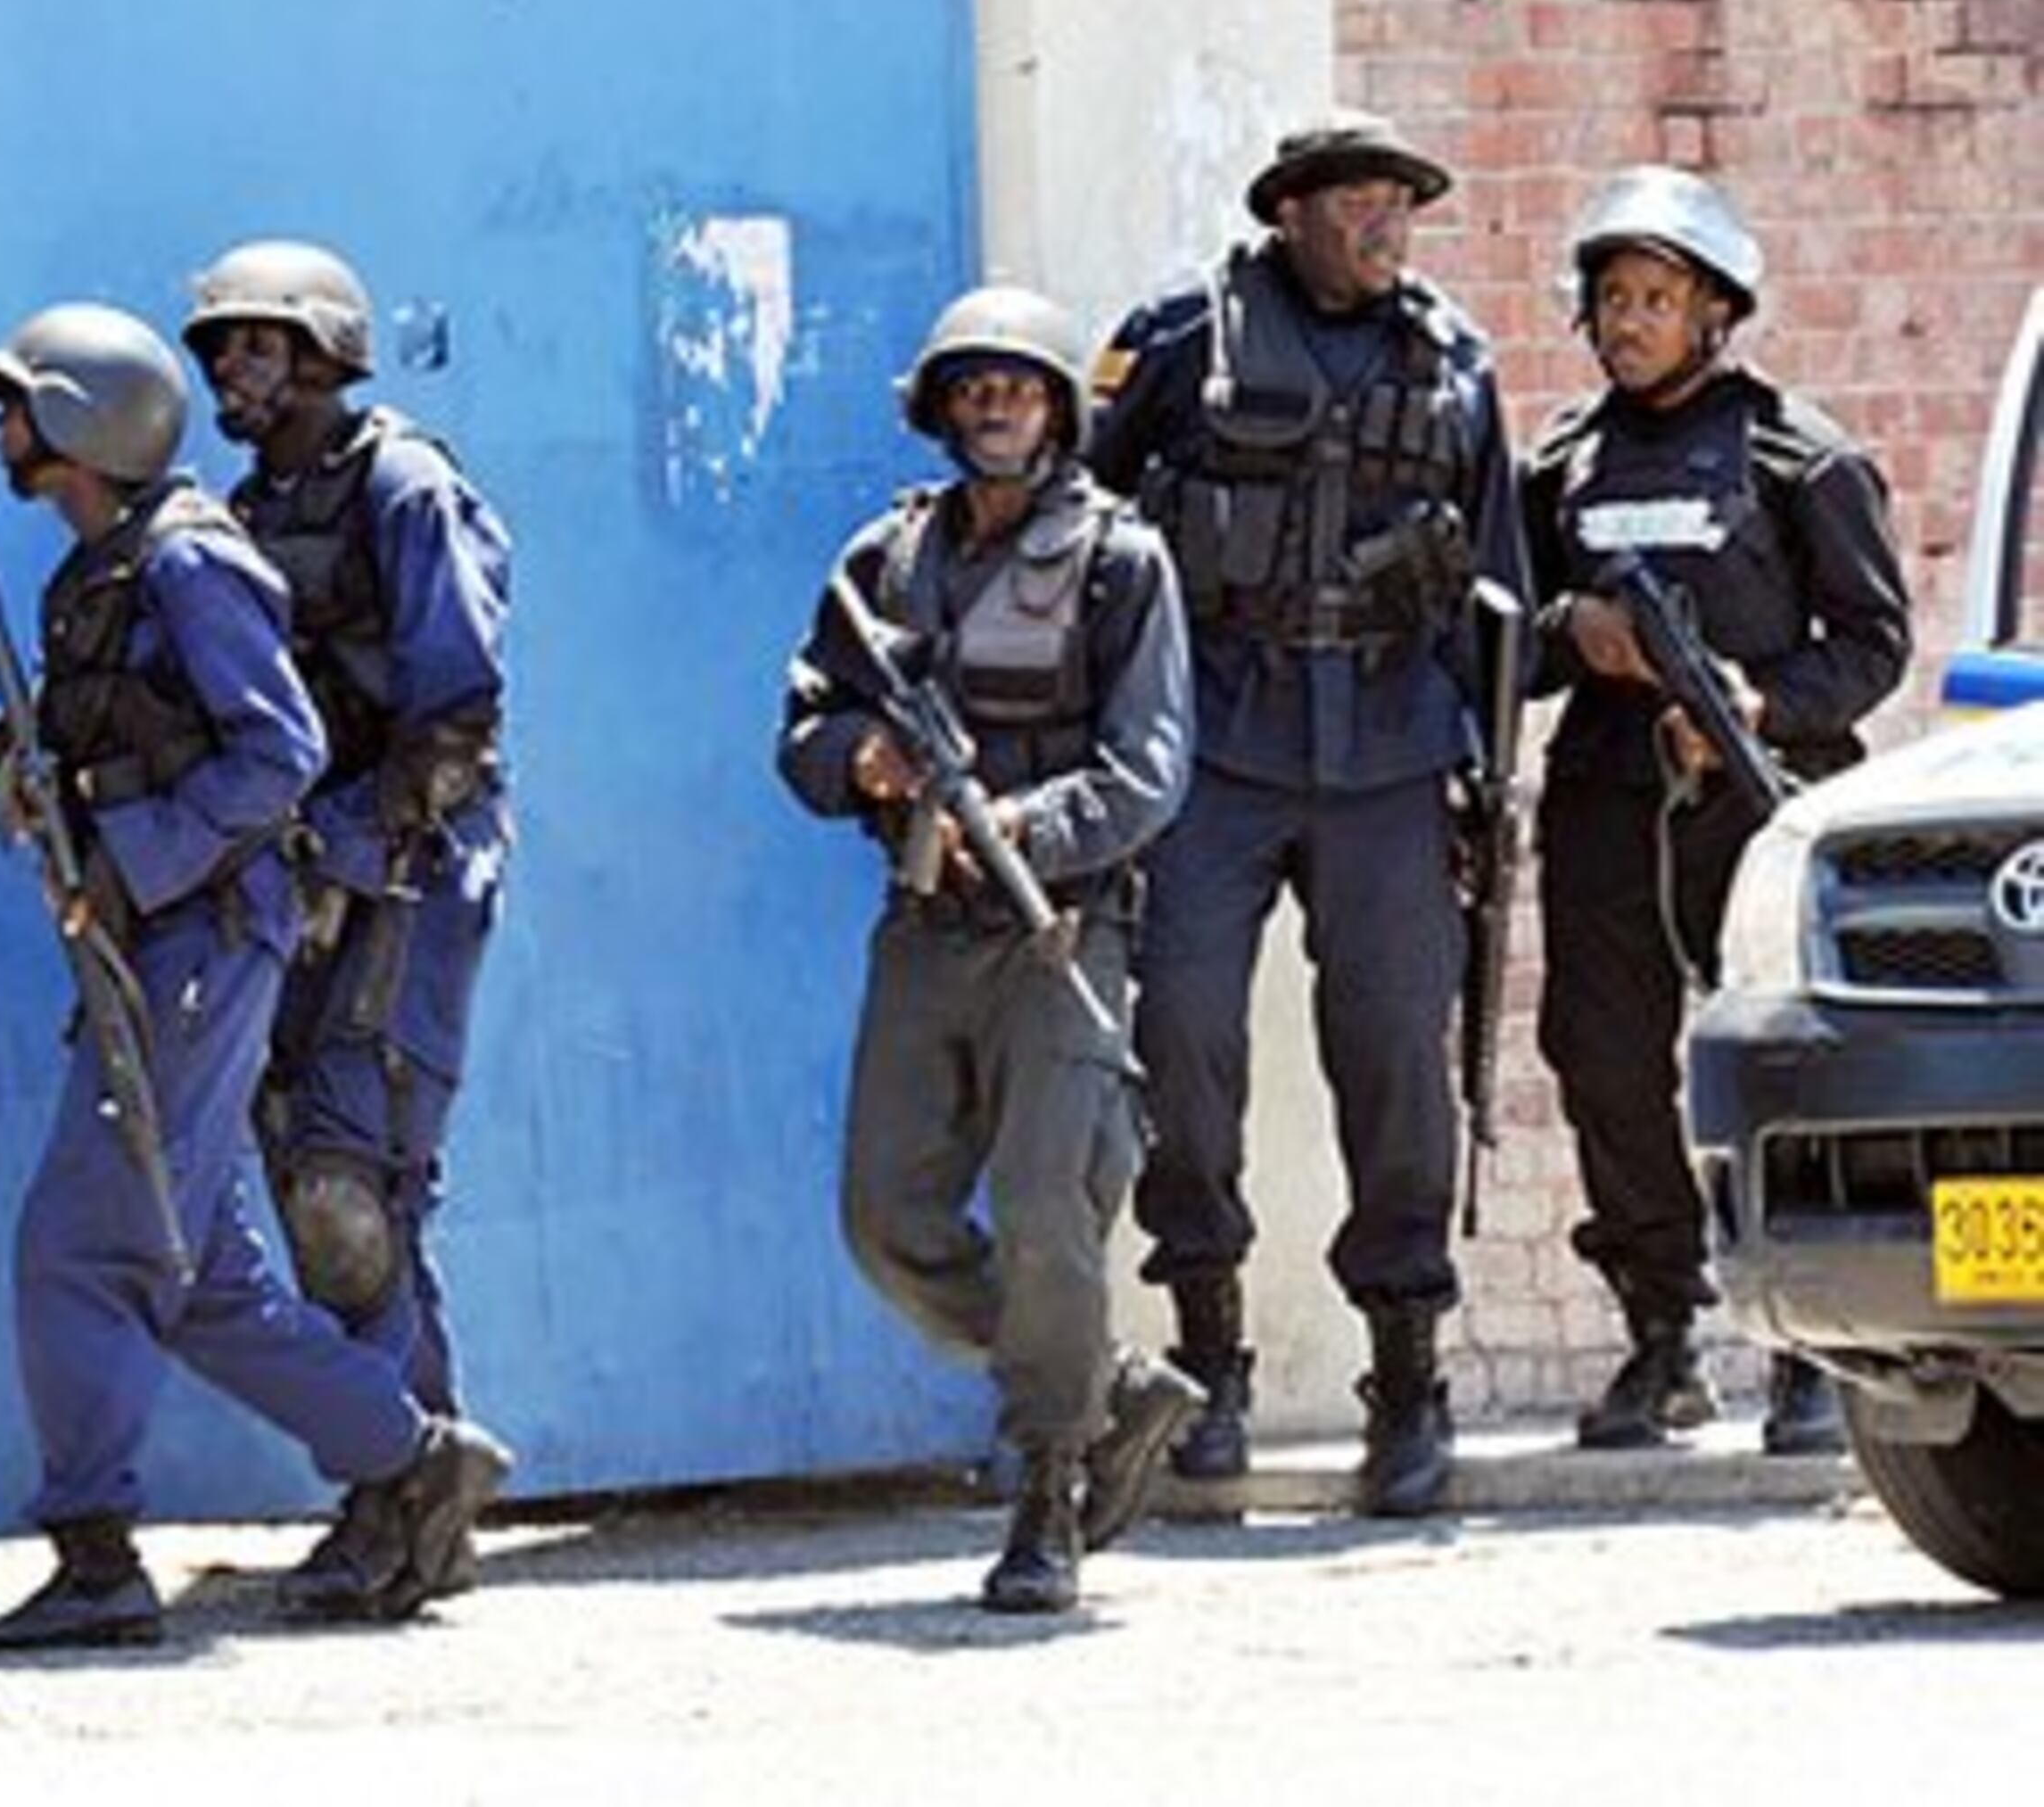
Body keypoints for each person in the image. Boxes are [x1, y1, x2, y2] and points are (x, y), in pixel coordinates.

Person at [0, 301, 511, 1651]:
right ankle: (410, 1453)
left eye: (19, 404)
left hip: (206, 933)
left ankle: (95, 1553)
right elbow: (115, 743)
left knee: (83, 1243)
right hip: (156, 934)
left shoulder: (192, 558)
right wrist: (31, 782)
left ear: (80, 418)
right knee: (198, 1269)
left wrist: (132, 856)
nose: (2, 428)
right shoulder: (102, 566)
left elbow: (280, 754)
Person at [1083, 110, 1530, 1519]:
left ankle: (1408, 1378)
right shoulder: (1179, 343)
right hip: (1216, 743)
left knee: (1398, 1058)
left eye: (1403, 203)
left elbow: (1500, 586)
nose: (1387, 227)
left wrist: (1485, 770)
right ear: (1292, 213)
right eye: (1358, 205)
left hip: (1391, 752)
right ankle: (1207, 1357)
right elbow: (1083, 530)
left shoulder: (1455, 363)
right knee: (1182, 1036)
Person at [779, 285, 1204, 1612]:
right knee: (886, 1218)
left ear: (1060, 410)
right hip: (925, 927)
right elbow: (802, 730)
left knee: (1043, 1210)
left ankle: (1050, 1484)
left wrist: (1026, 822)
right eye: (972, 389)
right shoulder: (885, 561)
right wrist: (862, 756)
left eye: (1018, 387)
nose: (995, 408)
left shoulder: (1122, 561)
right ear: (941, 410)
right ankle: (1105, 1386)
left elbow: (1150, 768)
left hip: (1063, 926)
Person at [1521, 167, 1910, 1456]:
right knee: (1602, 1057)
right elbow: (1497, 635)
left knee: (1783, 1054)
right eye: (1612, 300)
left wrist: (1761, 700)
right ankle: (1661, 1333)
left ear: (1714, 313)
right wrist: (1571, 629)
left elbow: (1873, 644)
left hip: (1758, 798)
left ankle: (1813, 1350)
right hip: (1605, 801)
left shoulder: (1803, 454)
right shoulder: (1561, 463)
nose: (1629, 321)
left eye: (1656, 298)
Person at [175, 240, 509, 1610]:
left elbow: (457, 724)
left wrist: (344, 849)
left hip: (407, 870)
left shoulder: (404, 486)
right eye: (219, 348)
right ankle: (414, 1477)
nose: (230, 370)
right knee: (324, 1186)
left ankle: (401, 1498)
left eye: (257, 344)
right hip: (292, 878)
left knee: (348, 1184)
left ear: (325, 354)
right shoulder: (247, 509)